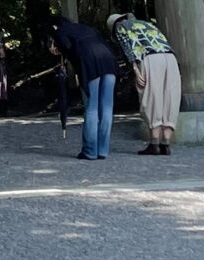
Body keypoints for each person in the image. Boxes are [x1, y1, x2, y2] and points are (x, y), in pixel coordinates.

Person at [108, 9, 182, 155]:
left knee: (151, 97)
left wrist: (135, 69)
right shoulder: (147, 24)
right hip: (169, 58)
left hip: (149, 58)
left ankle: (154, 143)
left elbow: (128, 48)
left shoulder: (121, 27)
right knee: (170, 97)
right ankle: (165, 143)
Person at [52, 15, 124, 161]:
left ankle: (90, 150)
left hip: (91, 63)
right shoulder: (85, 27)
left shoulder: (60, 30)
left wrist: (58, 49)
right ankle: (103, 150)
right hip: (109, 61)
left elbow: (66, 45)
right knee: (107, 107)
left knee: (92, 107)